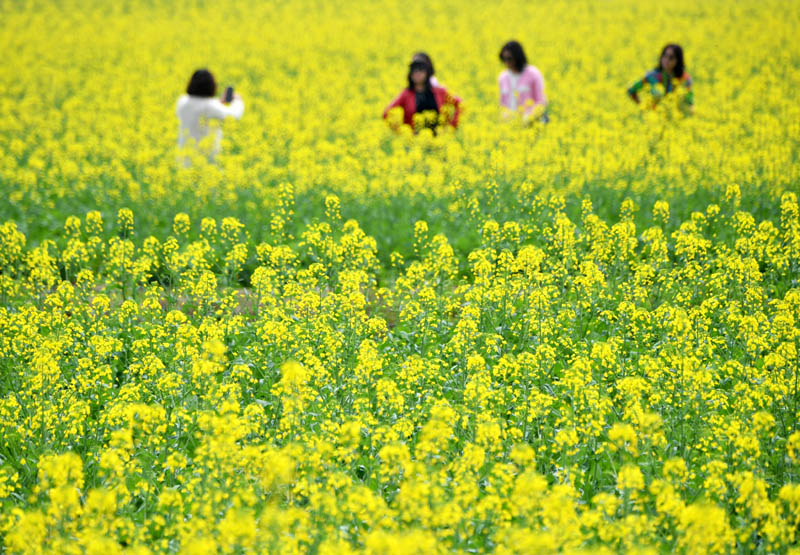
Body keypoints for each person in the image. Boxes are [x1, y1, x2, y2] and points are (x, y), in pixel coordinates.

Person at [176, 69, 244, 162]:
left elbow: (200, 110)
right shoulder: (210, 106)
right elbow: (233, 115)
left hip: (184, 157)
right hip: (205, 159)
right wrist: (238, 100)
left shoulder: (182, 101)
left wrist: (220, 103)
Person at [383, 60, 461, 134]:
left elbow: (460, 105)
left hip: (439, 141)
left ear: (428, 73)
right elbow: (386, 113)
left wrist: (452, 126)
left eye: (421, 70)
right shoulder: (406, 94)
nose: (417, 73)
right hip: (413, 142)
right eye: (413, 70)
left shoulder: (440, 91)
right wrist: (402, 131)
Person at [627, 44, 693, 114]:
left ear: (678, 61)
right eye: (665, 56)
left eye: (671, 57)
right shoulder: (652, 77)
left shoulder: (685, 79)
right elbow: (631, 90)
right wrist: (643, 106)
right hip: (654, 118)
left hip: (677, 119)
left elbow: (689, 101)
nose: (666, 60)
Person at [498, 40, 548, 124]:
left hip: (533, 122)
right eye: (504, 59)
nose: (506, 62)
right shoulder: (503, 77)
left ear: (517, 57)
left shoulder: (533, 73)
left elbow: (541, 101)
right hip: (511, 123)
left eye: (509, 59)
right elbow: (502, 104)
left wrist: (529, 118)